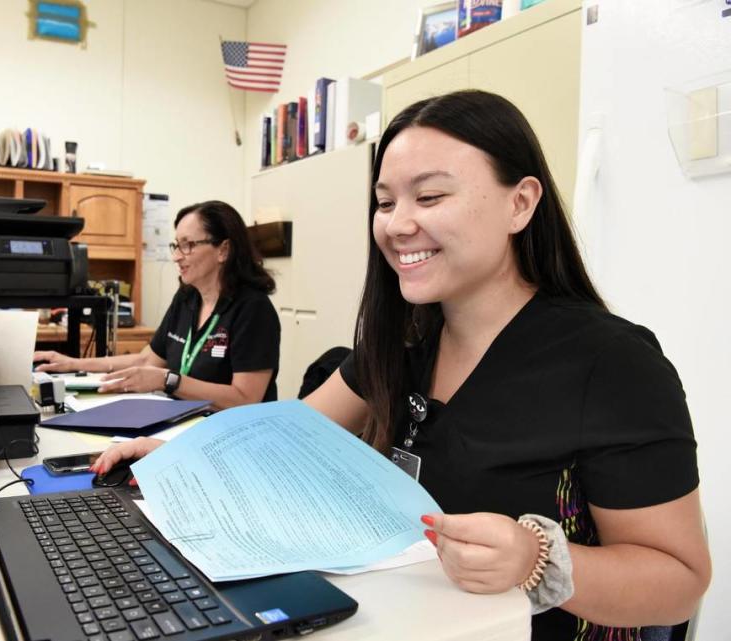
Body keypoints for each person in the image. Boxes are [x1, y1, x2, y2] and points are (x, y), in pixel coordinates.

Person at [91, 91, 711, 640]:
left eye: (431, 196)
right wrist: (178, 453)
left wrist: (538, 559)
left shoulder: (613, 363)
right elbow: (280, 440)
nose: (398, 224)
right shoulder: (404, 343)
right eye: (385, 202)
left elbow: (680, 579)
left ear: (520, 204)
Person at [34, 200, 280, 410]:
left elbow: (246, 399)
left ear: (223, 250)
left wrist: (169, 380)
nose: (176, 256)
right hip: (183, 422)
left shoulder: (253, 309)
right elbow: (146, 362)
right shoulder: (187, 299)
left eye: (188, 245)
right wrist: (73, 364)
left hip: (230, 436)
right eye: (176, 245)